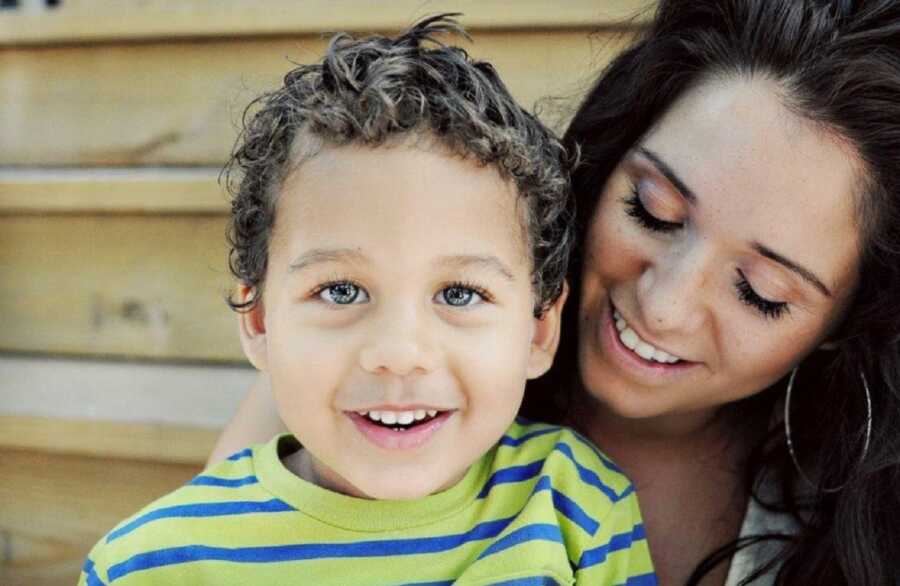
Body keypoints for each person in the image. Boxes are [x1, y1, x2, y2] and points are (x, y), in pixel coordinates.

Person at [208, 1, 900, 584]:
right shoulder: (370, 375)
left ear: (851, 316)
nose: (664, 305)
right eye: (652, 211)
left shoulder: (845, 515)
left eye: (760, 291)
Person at [79, 16, 657, 586]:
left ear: (537, 332)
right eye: (341, 290)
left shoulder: (577, 507)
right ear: (257, 321)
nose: (399, 353)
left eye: (459, 293)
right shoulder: (152, 565)